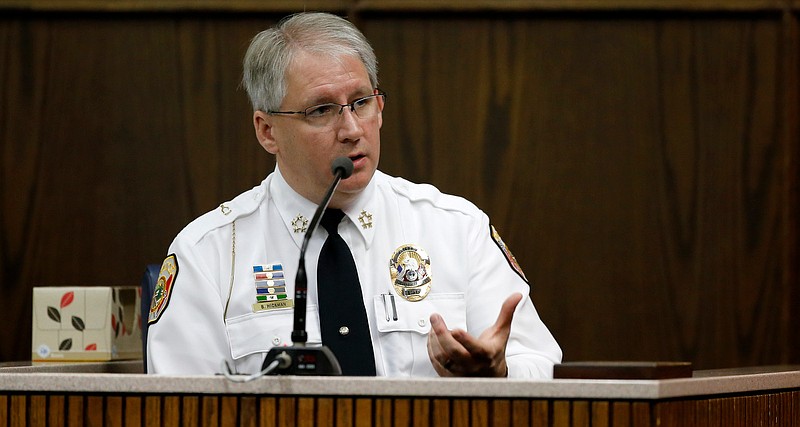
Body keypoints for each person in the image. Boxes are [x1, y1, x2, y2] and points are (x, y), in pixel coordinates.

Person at [146, 11, 561, 378]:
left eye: (361, 102)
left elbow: (540, 363)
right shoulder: (209, 254)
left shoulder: (457, 229)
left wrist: (498, 371)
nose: (351, 130)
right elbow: (175, 405)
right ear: (266, 130)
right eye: (321, 110)